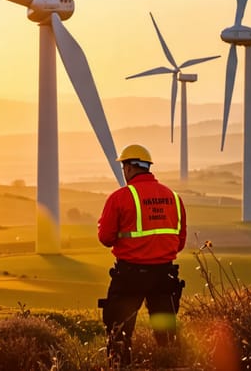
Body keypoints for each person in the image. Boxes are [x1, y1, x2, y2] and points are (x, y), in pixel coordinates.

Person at [97, 144, 187, 367]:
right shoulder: (174, 198)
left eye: (123, 167)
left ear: (128, 168)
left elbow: (105, 237)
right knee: (167, 335)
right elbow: (181, 240)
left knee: (119, 333)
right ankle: (170, 365)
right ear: (148, 167)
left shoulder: (120, 197)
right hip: (164, 276)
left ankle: (121, 367)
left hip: (130, 276)